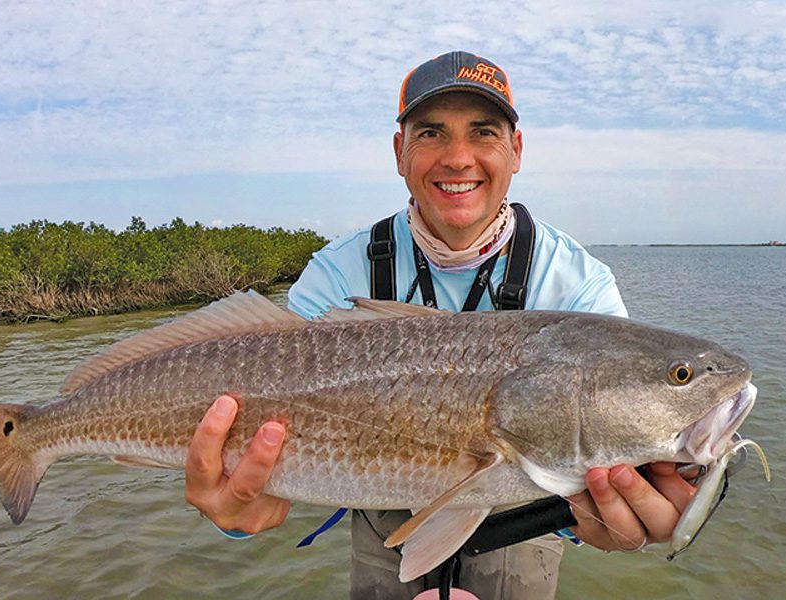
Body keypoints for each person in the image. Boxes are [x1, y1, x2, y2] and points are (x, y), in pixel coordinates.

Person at [184, 51, 697, 599]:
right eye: (431, 132)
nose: (458, 158)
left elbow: (600, 443)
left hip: (526, 517)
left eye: (483, 132)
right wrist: (232, 513)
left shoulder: (577, 285)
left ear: (516, 151)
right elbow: (252, 429)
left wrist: (608, 514)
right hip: (383, 511)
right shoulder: (340, 272)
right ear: (399, 151)